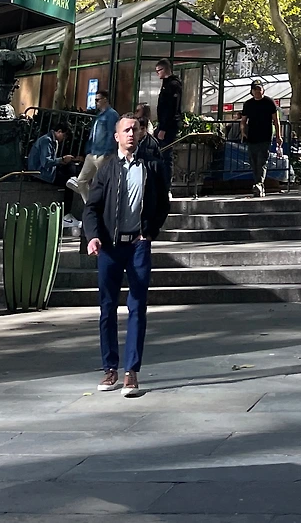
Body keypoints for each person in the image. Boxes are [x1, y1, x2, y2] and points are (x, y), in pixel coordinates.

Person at [82, 114, 170, 398]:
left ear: (141, 134)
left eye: (136, 129)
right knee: (107, 308)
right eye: (126, 130)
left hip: (138, 246)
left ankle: (131, 371)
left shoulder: (151, 166)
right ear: (116, 137)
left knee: (137, 307)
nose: (132, 133)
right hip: (110, 246)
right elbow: (91, 208)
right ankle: (110, 368)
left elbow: (163, 203)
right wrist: (93, 236)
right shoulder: (107, 169)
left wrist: (150, 232)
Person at [68, 90, 119, 202]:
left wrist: (107, 152)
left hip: (103, 154)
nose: (96, 102)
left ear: (105, 99)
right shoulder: (100, 115)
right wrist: (88, 150)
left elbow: (112, 133)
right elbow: (94, 134)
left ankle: (101, 207)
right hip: (93, 153)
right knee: (81, 181)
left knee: (102, 183)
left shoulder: (112, 114)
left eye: (97, 100)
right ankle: (90, 205)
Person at [241, 78, 281, 197]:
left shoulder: (269, 102)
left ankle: (259, 184)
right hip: (252, 136)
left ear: (263, 90)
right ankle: (258, 183)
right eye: (255, 89)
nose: (257, 91)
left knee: (262, 161)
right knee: (253, 161)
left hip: (265, 136)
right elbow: (243, 120)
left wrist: (278, 136)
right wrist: (243, 132)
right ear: (252, 91)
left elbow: (276, 120)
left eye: (259, 89)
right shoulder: (248, 104)